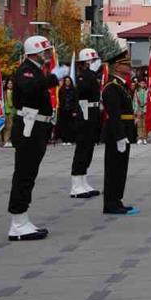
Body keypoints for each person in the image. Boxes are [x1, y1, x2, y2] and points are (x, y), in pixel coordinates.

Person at [7, 35, 69, 241]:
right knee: (24, 174)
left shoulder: (35, 71)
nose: (49, 54)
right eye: (46, 51)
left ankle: (22, 219)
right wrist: (53, 78)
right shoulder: (26, 70)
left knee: (29, 174)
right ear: (35, 52)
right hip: (28, 127)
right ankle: (17, 222)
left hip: (37, 127)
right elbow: (30, 87)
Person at [100, 51, 138, 215]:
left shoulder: (120, 85)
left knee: (121, 168)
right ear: (117, 66)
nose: (129, 67)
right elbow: (114, 115)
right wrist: (120, 136)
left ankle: (117, 200)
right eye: (126, 64)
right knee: (113, 168)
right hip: (117, 133)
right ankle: (110, 203)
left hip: (124, 131)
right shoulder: (111, 87)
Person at [69, 49, 102, 199]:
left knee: (89, 149)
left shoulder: (92, 75)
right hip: (85, 114)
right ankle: (76, 185)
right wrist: (91, 73)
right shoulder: (83, 76)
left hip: (93, 113)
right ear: (86, 62)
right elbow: (83, 90)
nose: (97, 63)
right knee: (82, 148)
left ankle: (83, 181)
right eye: (93, 60)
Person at [132, 77, 149, 145]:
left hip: (145, 109)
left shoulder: (147, 91)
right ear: (139, 84)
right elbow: (134, 101)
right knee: (139, 125)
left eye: (143, 83)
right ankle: (139, 138)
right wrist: (135, 110)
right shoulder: (136, 91)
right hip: (138, 109)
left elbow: (149, 101)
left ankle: (145, 138)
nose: (142, 84)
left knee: (145, 124)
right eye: (141, 83)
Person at [2, 78, 15, 147]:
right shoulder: (6, 92)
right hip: (8, 111)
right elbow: (10, 103)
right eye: (9, 83)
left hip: (13, 111)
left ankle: (9, 140)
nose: (10, 85)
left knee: (11, 127)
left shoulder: (13, 91)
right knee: (8, 127)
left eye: (11, 83)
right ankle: (6, 140)